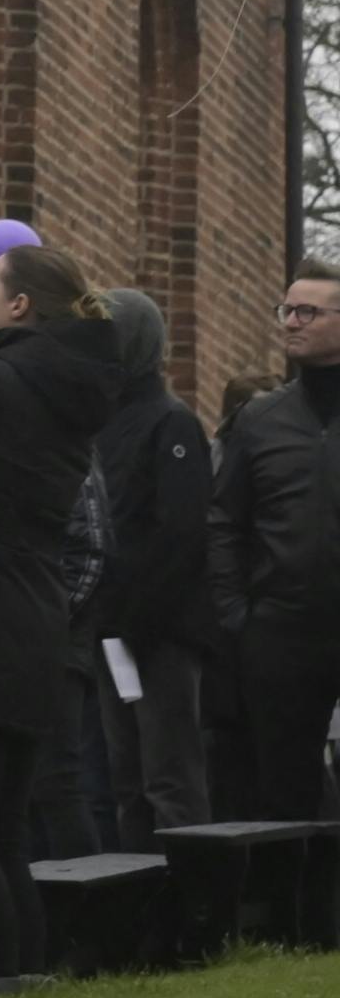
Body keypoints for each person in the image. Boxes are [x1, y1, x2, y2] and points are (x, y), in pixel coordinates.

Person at [0, 239, 120, 973]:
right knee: (4, 831)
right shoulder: (62, 385)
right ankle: (24, 985)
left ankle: (1, 983)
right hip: (33, 620)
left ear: (18, 306)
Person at [78, 287, 214, 844]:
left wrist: (134, 617)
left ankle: (192, 914)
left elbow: (180, 533)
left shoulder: (171, 423)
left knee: (169, 780)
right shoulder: (98, 422)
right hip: (112, 630)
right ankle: (142, 913)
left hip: (161, 634)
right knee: (125, 780)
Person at [211, 263, 340, 814]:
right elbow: (221, 522)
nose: (291, 322)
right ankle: (297, 903)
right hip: (281, 632)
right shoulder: (259, 420)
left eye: (307, 311)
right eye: (286, 310)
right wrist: (239, 614)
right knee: (285, 793)